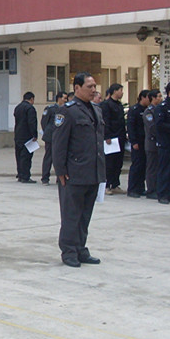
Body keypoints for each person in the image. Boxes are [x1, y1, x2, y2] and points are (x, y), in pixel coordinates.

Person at [51, 72, 105, 268]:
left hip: (93, 171)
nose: (93, 90)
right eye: (89, 87)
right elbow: (58, 144)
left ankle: (81, 248)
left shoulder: (96, 110)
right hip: (73, 172)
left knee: (85, 215)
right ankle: (69, 251)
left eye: (94, 86)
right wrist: (60, 170)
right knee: (71, 215)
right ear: (77, 88)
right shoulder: (67, 111)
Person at [100, 84, 126, 195]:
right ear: (114, 91)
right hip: (111, 138)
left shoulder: (119, 105)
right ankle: (106, 185)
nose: (122, 92)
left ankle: (115, 184)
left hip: (120, 137)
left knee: (118, 162)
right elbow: (106, 121)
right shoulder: (106, 105)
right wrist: (107, 136)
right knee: (109, 163)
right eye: (120, 90)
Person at [125, 90, 150, 198]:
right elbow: (131, 127)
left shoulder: (147, 110)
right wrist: (133, 141)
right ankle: (132, 188)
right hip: (137, 142)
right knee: (137, 165)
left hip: (146, 141)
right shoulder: (134, 110)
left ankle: (140, 188)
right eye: (148, 98)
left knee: (143, 165)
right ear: (142, 97)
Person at [41, 91, 67, 185]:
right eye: (64, 98)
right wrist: (48, 132)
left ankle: (59, 178)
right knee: (49, 157)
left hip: (60, 137)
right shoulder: (50, 109)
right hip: (50, 137)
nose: (65, 100)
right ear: (59, 98)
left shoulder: (66, 109)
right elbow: (44, 122)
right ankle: (45, 178)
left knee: (60, 157)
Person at [13, 92, 37, 183]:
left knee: (19, 156)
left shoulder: (18, 107)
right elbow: (32, 122)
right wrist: (34, 135)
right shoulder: (30, 108)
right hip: (27, 136)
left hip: (18, 135)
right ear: (31, 99)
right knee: (26, 157)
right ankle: (25, 176)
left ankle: (20, 174)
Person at [142, 89, 162, 200]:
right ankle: (151, 189)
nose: (161, 98)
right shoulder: (149, 112)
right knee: (152, 168)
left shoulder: (159, 110)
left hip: (159, 143)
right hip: (152, 143)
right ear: (153, 98)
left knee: (158, 167)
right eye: (159, 96)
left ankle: (157, 187)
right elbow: (152, 127)